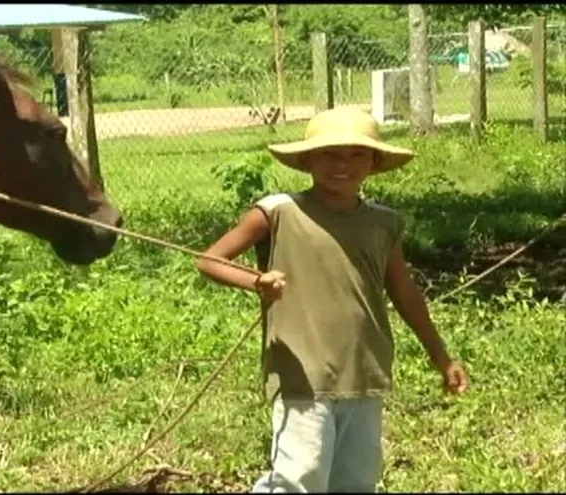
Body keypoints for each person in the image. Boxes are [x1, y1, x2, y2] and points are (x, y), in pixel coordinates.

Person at [195, 107, 470, 493]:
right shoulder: (277, 212)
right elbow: (208, 260)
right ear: (307, 158)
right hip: (302, 373)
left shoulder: (384, 222)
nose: (342, 165)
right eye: (328, 154)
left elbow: (404, 292)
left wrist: (443, 358)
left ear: (375, 161)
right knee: (300, 475)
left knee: (356, 481)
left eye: (356, 154)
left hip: (364, 370)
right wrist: (256, 281)